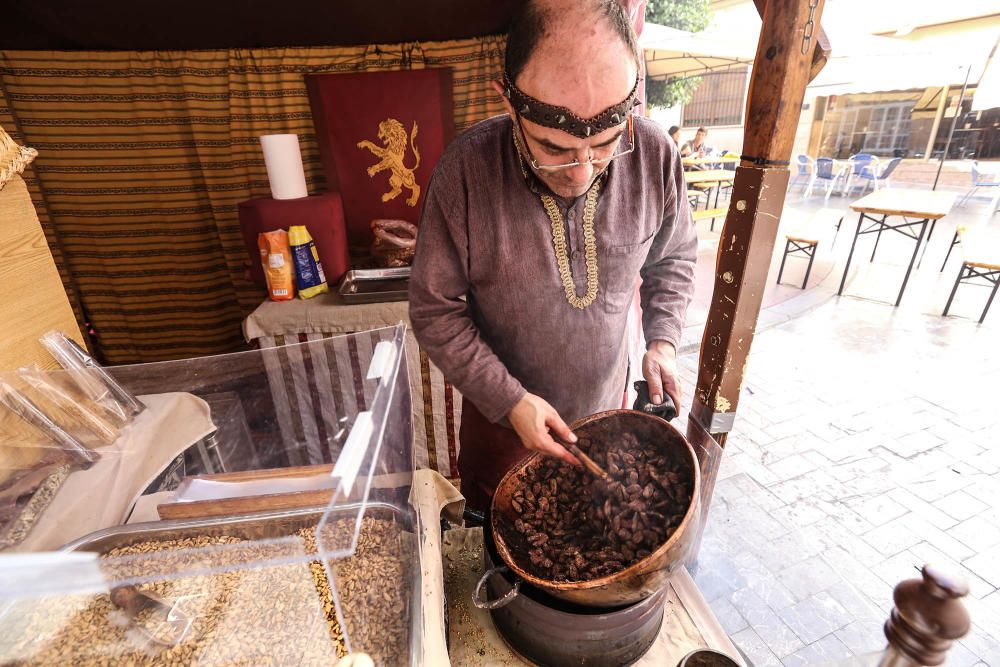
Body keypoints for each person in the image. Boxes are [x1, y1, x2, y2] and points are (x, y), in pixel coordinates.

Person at [409, 0, 698, 511]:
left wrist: (663, 341)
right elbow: (435, 310)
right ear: (508, 101)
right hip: (503, 436)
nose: (582, 173)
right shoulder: (465, 173)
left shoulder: (654, 156)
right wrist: (510, 400)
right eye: (554, 147)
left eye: (606, 143)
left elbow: (671, 258)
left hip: (609, 422)